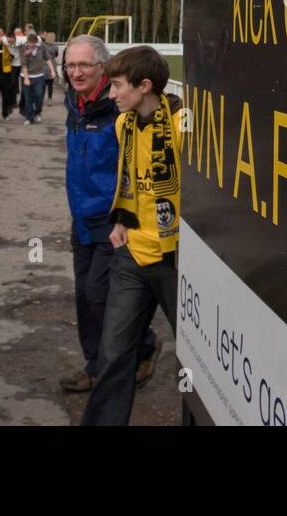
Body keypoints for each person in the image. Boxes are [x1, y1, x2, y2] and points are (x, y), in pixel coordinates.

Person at [81, 46, 183, 426]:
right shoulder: (123, 124)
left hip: (175, 259)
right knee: (114, 354)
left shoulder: (182, 122)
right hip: (131, 254)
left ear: (144, 86)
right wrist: (121, 221)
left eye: (118, 86)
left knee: (194, 360)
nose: (111, 94)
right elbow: (130, 181)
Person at [58, 36, 159, 394]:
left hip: (112, 219)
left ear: (102, 67)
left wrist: (127, 216)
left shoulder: (120, 107)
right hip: (81, 218)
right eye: (70, 65)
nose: (76, 72)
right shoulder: (74, 102)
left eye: (84, 65)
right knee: (84, 297)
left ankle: (142, 347)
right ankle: (95, 365)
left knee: (100, 293)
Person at [18, 33, 54, 124]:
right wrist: (26, 78)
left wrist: (52, 71)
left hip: (38, 76)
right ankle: (29, 118)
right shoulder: (23, 48)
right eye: (30, 43)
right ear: (28, 42)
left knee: (39, 96)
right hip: (26, 76)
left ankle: (37, 112)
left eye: (34, 43)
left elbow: (48, 58)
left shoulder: (41, 47)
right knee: (28, 97)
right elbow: (24, 64)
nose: (32, 45)